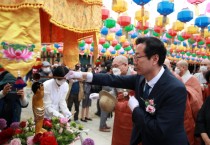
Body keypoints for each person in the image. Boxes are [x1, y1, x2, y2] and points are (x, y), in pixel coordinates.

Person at [65, 37, 188, 145]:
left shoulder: (175, 89)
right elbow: (114, 79)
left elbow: (159, 130)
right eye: (134, 57)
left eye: (138, 57)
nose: (133, 61)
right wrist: (83, 75)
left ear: (155, 59)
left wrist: (135, 109)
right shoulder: (141, 78)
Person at [176, 60, 203, 145]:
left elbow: (197, 97)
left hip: (190, 113)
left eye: (177, 67)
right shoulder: (178, 79)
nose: (175, 69)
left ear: (183, 68)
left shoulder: (193, 79)